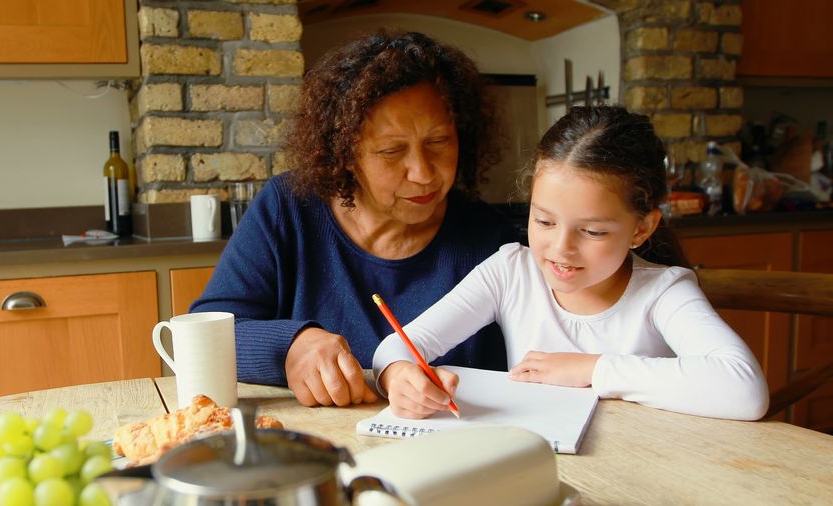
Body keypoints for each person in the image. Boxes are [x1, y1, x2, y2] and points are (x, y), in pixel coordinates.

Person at [373, 106, 770, 421]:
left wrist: (591, 370)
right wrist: (399, 377)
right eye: (543, 221)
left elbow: (744, 390)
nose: (560, 248)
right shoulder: (511, 271)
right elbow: (399, 346)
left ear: (641, 228)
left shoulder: (663, 292)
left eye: (593, 232)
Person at [190, 31, 518, 407]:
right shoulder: (288, 207)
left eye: (439, 142)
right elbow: (208, 330)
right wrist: (291, 346)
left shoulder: (491, 240)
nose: (423, 172)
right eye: (393, 151)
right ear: (345, 153)